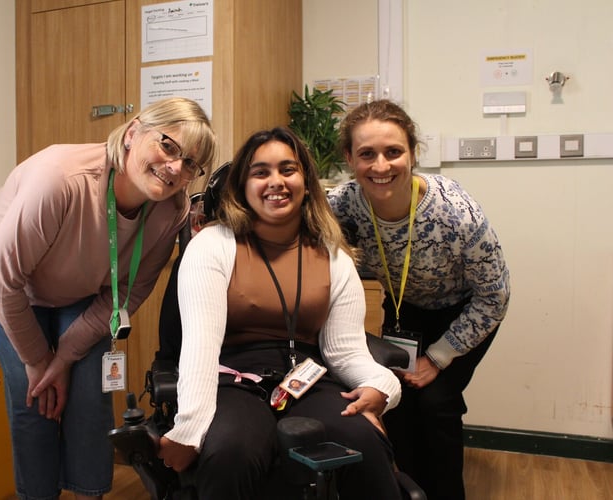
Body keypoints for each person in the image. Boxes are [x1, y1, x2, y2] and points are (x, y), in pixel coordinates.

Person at [0, 97, 217, 500]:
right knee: (35, 397)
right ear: (134, 132)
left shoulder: (172, 208)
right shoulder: (60, 179)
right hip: (7, 277)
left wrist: (64, 357)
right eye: (168, 146)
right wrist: (37, 361)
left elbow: (130, 292)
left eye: (190, 164)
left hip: (84, 287)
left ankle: (89, 493)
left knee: (88, 393)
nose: (175, 168)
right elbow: (2, 279)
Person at [158, 127, 403, 499]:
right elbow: (200, 347)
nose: (277, 182)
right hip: (233, 379)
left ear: (306, 180)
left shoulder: (333, 256)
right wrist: (189, 430)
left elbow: (345, 350)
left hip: (309, 377)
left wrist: (383, 386)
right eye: (261, 172)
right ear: (243, 185)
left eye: (288, 170)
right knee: (230, 452)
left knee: (360, 442)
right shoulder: (213, 245)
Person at [328, 99, 510, 500]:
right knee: (399, 401)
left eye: (393, 152)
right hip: (404, 308)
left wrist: (440, 356)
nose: (380, 166)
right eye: (366, 154)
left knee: (436, 403)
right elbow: (293, 222)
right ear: (349, 158)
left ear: (413, 153)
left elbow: (495, 296)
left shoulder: (455, 213)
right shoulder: (342, 203)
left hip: (466, 311)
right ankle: (406, 490)